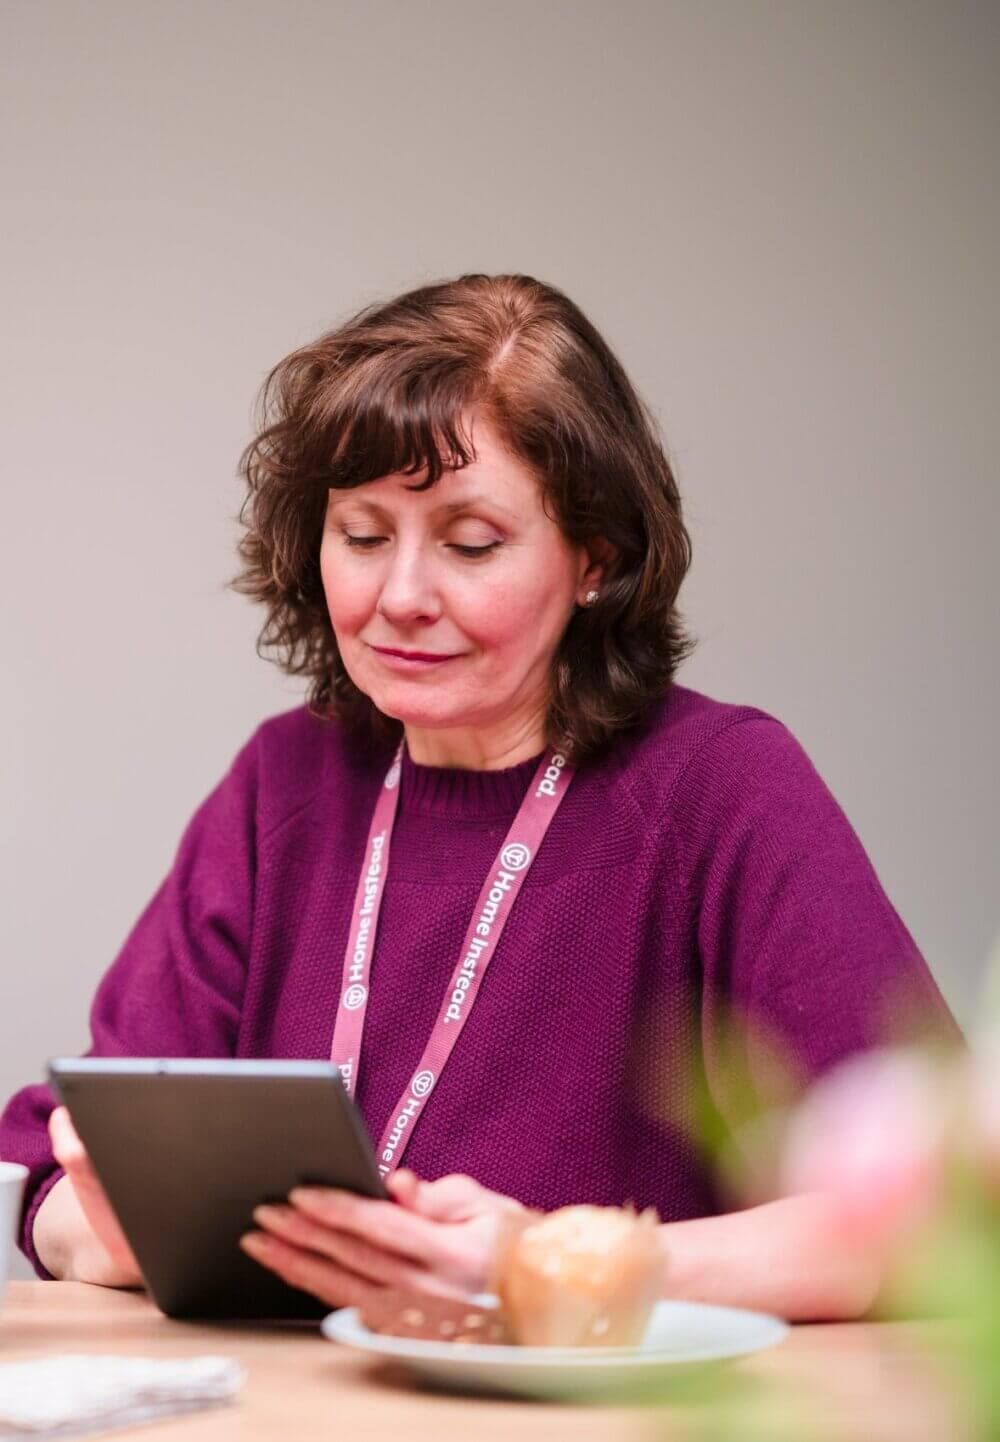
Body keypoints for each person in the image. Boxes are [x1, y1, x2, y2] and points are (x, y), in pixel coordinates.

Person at [0, 273, 961, 1321]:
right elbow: (51, 1166)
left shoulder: (720, 788)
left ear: (594, 555)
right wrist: (108, 1224)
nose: (401, 596)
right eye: (362, 535)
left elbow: (936, 1212)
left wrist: (541, 1260)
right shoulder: (284, 782)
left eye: (469, 543)